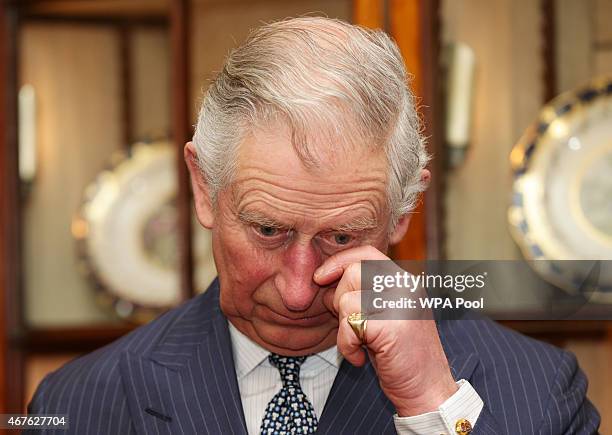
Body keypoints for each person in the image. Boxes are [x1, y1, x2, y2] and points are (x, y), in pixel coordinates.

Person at [28, 17, 599, 435]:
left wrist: (432, 405)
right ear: (204, 189)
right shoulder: (80, 406)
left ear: (402, 212)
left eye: (342, 237)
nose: (300, 291)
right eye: (268, 231)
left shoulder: (541, 394)